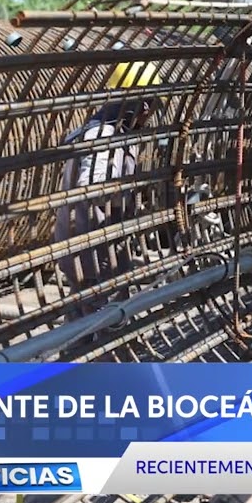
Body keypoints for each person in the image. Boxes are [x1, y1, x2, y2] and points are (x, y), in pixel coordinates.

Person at [54, 61, 162, 315]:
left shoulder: (119, 132)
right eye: (152, 106)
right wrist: (126, 196)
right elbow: (91, 187)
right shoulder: (102, 135)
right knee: (105, 318)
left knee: (88, 316)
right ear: (141, 104)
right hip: (91, 246)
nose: (150, 115)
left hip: (97, 244)